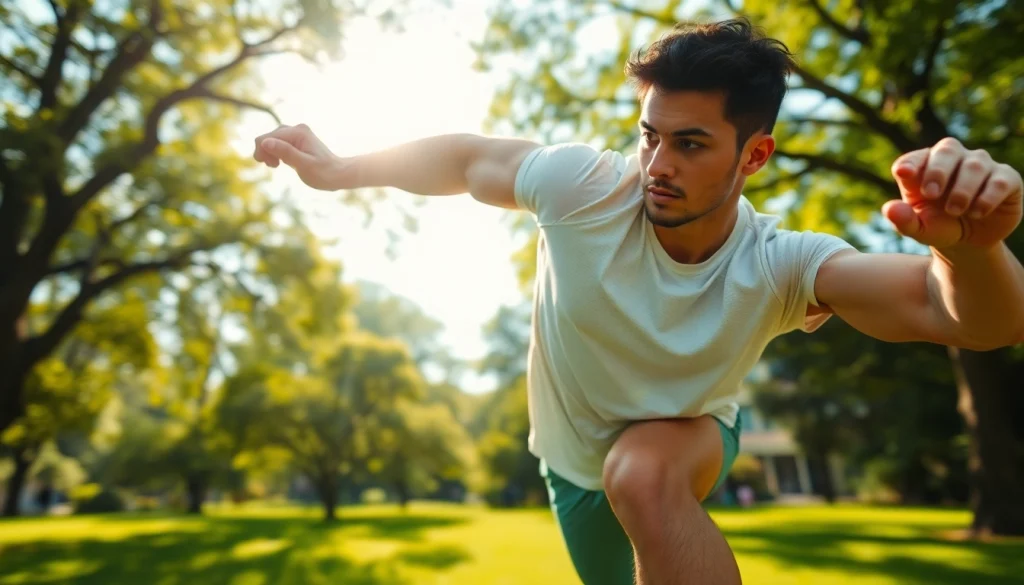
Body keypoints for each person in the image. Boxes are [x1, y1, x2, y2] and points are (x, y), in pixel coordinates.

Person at [253, 17, 1024, 585]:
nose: (657, 163)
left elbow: (966, 316)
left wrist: (972, 246)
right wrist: (340, 168)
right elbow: (466, 157)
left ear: (754, 155)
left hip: (686, 440)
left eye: (689, 144)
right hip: (568, 464)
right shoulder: (584, 189)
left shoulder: (782, 262)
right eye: (649, 135)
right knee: (618, 490)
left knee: (643, 473)